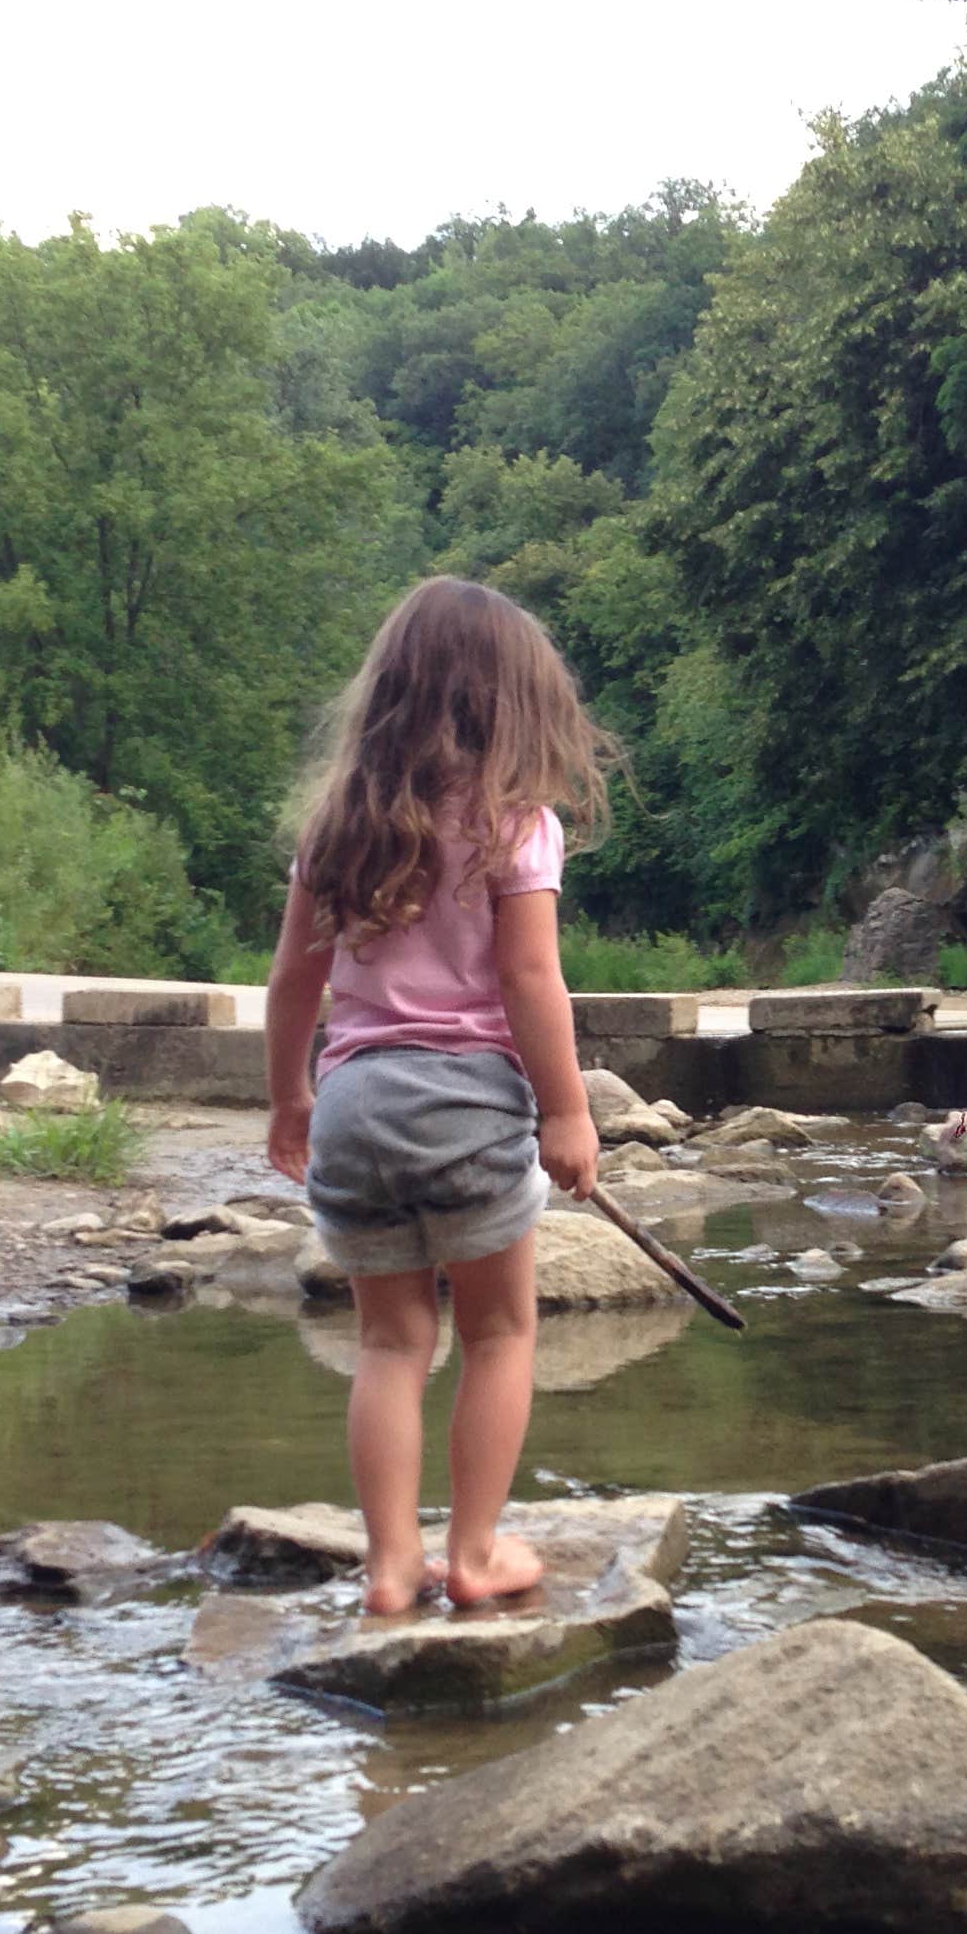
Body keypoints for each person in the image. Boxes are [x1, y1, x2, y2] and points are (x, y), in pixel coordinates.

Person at [262, 575, 613, 1616]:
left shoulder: (341, 823)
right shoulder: (514, 821)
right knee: (501, 1333)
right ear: (515, 702)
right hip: (468, 1103)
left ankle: (386, 1570)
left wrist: (289, 1100)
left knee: (388, 1342)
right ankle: (472, 1552)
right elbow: (527, 978)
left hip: (357, 1105)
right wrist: (568, 1110)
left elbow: (292, 980)